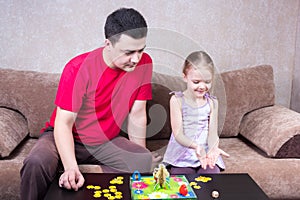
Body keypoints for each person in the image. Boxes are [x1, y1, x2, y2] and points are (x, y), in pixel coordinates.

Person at [20, 8, 157, 200]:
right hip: (66, 136)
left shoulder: (144, 64)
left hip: (105, 141)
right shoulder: (78, 68)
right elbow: (63, 124)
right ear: (108, 44)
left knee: (143, 160)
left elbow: (137, 115)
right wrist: (70, 167)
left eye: (141, 50)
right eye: (129, 52)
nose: (136, 59)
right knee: (36, 162)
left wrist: (141, 157)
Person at [162, 51, 230, 174]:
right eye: (196, 82)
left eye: (207, 82)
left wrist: (213, 148)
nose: (202, 86)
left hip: (205, 153)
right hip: (183, 153)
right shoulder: (177, 100)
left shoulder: (212, 102)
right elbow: (178, 134)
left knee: (212, 175)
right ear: (185, 77)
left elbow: (212, 134)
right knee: (181, 181)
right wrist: (195, 147)